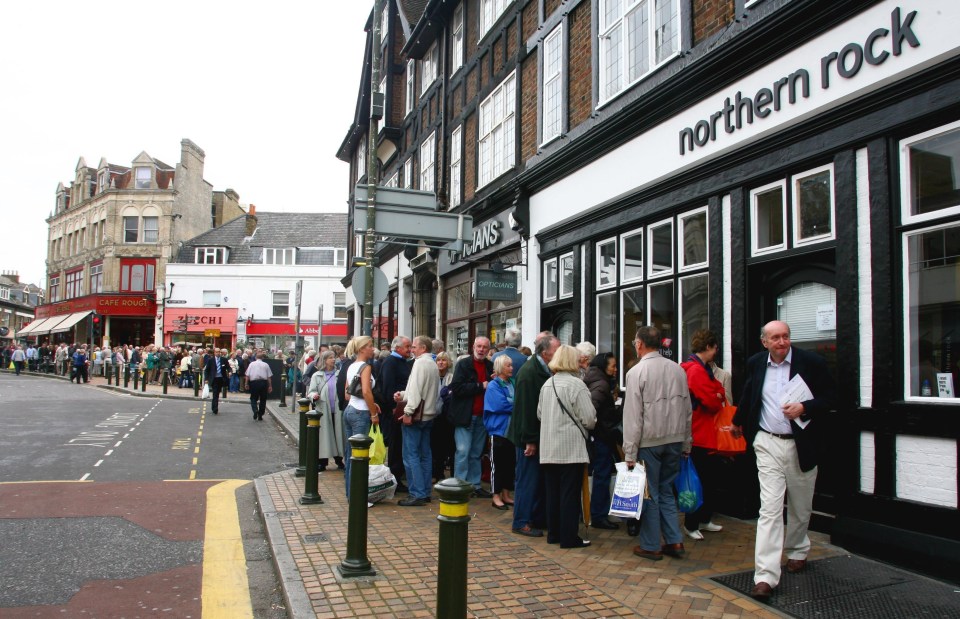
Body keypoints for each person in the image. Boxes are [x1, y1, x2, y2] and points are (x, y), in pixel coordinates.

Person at [732, 320, 835, 600]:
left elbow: (831, 397)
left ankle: (799, 549)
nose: (782, 342)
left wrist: (805, 407)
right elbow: (749, 395)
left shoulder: (810, 362)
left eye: (785, 336)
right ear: (764, 341)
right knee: (770, 508)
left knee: (801, 507)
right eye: (775, 338)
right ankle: (765, 575)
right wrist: (738, 423)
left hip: (801, 445)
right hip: (767, 443)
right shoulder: (756, 363)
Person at [622, 325, 692, 562]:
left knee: (649, 493)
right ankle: (674, 540)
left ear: (640, 344)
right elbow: (687, 409)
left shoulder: (636, 373)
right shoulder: (678, 370)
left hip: (649, 441)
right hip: (674, 438)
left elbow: (633, 415)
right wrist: (686, 442)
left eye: (634, 342)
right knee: (666, 490)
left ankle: (651, 544)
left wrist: (629, 452)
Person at [537, 345, 597, 549]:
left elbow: (539, 414)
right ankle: (569, 537)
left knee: (552, 493)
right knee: (569, 494)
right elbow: (589, 419)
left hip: (549, 447)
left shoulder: (547, 384)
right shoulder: (577, 385)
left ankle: (554, 533)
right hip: (570, 448)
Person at [508, 332, 560, 537]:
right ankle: (521, 521)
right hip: (527, 438)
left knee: (537, 480)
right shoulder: (530, 373)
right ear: (546, 352)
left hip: (537, 436)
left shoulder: (543, 369)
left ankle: (536, 518)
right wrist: (529, 439)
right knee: (527, 480)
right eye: (556, 350)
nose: (559, 353)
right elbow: (526, 409)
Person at [680, 329, 728, 540]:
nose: (716, 351)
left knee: (708, 480)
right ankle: (692, 524)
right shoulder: (696, 371)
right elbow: (712, 399)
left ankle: (704, 519)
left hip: (704, 433)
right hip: (699, 434)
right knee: (698, 481)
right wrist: (717, 397)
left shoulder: (702, 369)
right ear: (708, 347)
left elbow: (719, 389)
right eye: (715, 347)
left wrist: (717, 394)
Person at [393, 335, 440, 506]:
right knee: (425, 454)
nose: (412, 349)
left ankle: (417, 493)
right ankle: (425, 491)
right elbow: (423, 390)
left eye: (414, 346)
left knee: (411, 455)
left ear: (423, 348)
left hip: (417, 416)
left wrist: (407, 411)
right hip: (428, 415)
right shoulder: (432, 364)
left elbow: (416, 391)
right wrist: (403, 395)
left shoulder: (420, 363)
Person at [449, 336, 494, 498]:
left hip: (482, 416)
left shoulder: (490, 366)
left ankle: (475, 485)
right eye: (479, 346)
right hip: (465, 416)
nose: (481, 350)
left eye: (485, 347)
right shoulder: (463, 364)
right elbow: (456, 388)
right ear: (473, 347)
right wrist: (479, 386)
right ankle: (460, 486)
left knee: (476, 453)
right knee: (463, 451)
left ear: (489, 350)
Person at [584, 352, 622, 530]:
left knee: (601, 473)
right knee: (602, 474)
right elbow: (592, 409)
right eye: (613, 366)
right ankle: (599, 515)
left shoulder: (596, 380)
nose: (615, 370)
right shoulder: (601, 384)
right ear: (603, 366)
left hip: (600, 435)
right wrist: (615, 413)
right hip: (601, 436)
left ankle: (598, 512)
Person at [342, 336, 380, 498]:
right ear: (362, 349)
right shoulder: (366, 367)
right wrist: (373, 412)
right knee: (359, 457)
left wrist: (370, 403)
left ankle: (351, 493)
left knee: (351, 455)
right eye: (370, 346)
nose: (373, 349)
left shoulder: (351, 366)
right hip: (361, 413)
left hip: (350, 410)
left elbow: (347, 394)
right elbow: (366, 391)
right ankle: (357, 497)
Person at [379, 336, 412, 492]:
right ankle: (395, 478)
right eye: (407, 346)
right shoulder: (391, 362)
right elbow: (388, 386)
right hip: (394, 410)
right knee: (395, 444)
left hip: (400, 407)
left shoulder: (401, 361)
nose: (409, 349)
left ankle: (398, 475)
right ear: (397, 347)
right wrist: (393, 406)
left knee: (399, 444)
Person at [484, 354, 516, 510]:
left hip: (512, 431)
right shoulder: (493, 385)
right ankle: (495, 496)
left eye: (511, 365)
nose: (512, 368)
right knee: (498, 465)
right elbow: (500, 405)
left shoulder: (512, 383)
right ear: (499, 368)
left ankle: (506, 494)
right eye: (508, 365)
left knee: (510, 464)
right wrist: (515, 404)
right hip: (498, 431)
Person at [307, 350, 344, 472]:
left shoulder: (340, 374)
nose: (333, 360)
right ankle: (322, 462)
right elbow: (311, 391)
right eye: (330, 358)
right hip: (323, 409)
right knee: (325, 436)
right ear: (324, 360)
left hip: (338, 410)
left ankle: (339, 460)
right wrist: (314, 396)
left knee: (338, 434)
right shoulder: (316, 375)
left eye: (334, 357)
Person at [431, 351, 455, 481]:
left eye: (444, 360)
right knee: (435, 446)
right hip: (433, 415)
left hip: (447, 416)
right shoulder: (432, 376)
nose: (440, 363)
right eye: (438, 360)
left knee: (449, 445)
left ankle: (452, 475)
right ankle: (437, 473)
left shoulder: (451, 377)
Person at [245, 352, 273, 421]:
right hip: (263, 383)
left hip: (254, 383)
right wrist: (270, 386)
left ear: (255, 357)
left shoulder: (251, 364)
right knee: (263, 399)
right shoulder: (266, 365)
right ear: (262, 358)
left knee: (253, 398)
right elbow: (269, 376)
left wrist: (246, 384)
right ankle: (260, 414)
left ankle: (255, 410)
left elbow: (247, 375)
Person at [204, 348, 232, 415]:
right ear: (214, 353)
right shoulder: (211, 360)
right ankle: (215, 408)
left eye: (219, 352)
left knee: (218, 393)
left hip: (221, 378)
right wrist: (206, 379)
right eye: (216, 352)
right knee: (215, 393)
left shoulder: (224, 360)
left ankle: (214, 406)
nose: (218, 353)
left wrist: (230, 371)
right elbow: (207, 370)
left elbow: (228, 367)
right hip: (214, 379)